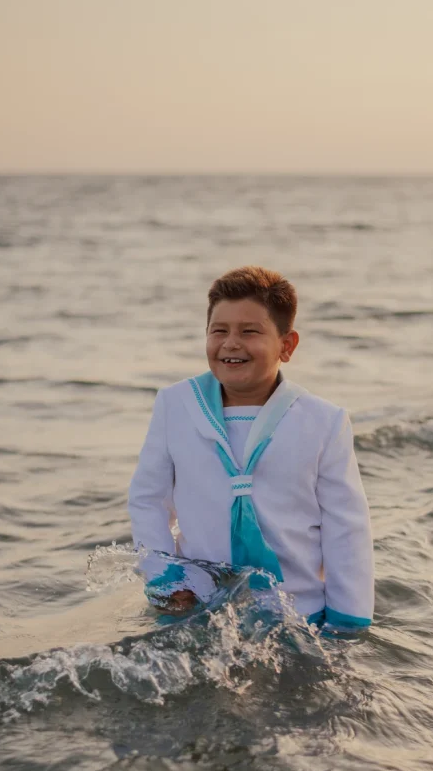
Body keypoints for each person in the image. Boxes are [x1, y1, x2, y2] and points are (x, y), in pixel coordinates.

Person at [127, 265, 374, 631]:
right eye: (219, 331)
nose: (231, 343)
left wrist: (347, 621)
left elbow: (346, 527)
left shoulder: (324, 421)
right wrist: (167, 581)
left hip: (297, 614)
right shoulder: (176, 405)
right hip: (198, 612)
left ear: (286, 346)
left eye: (250, 332)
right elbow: (148, 500)